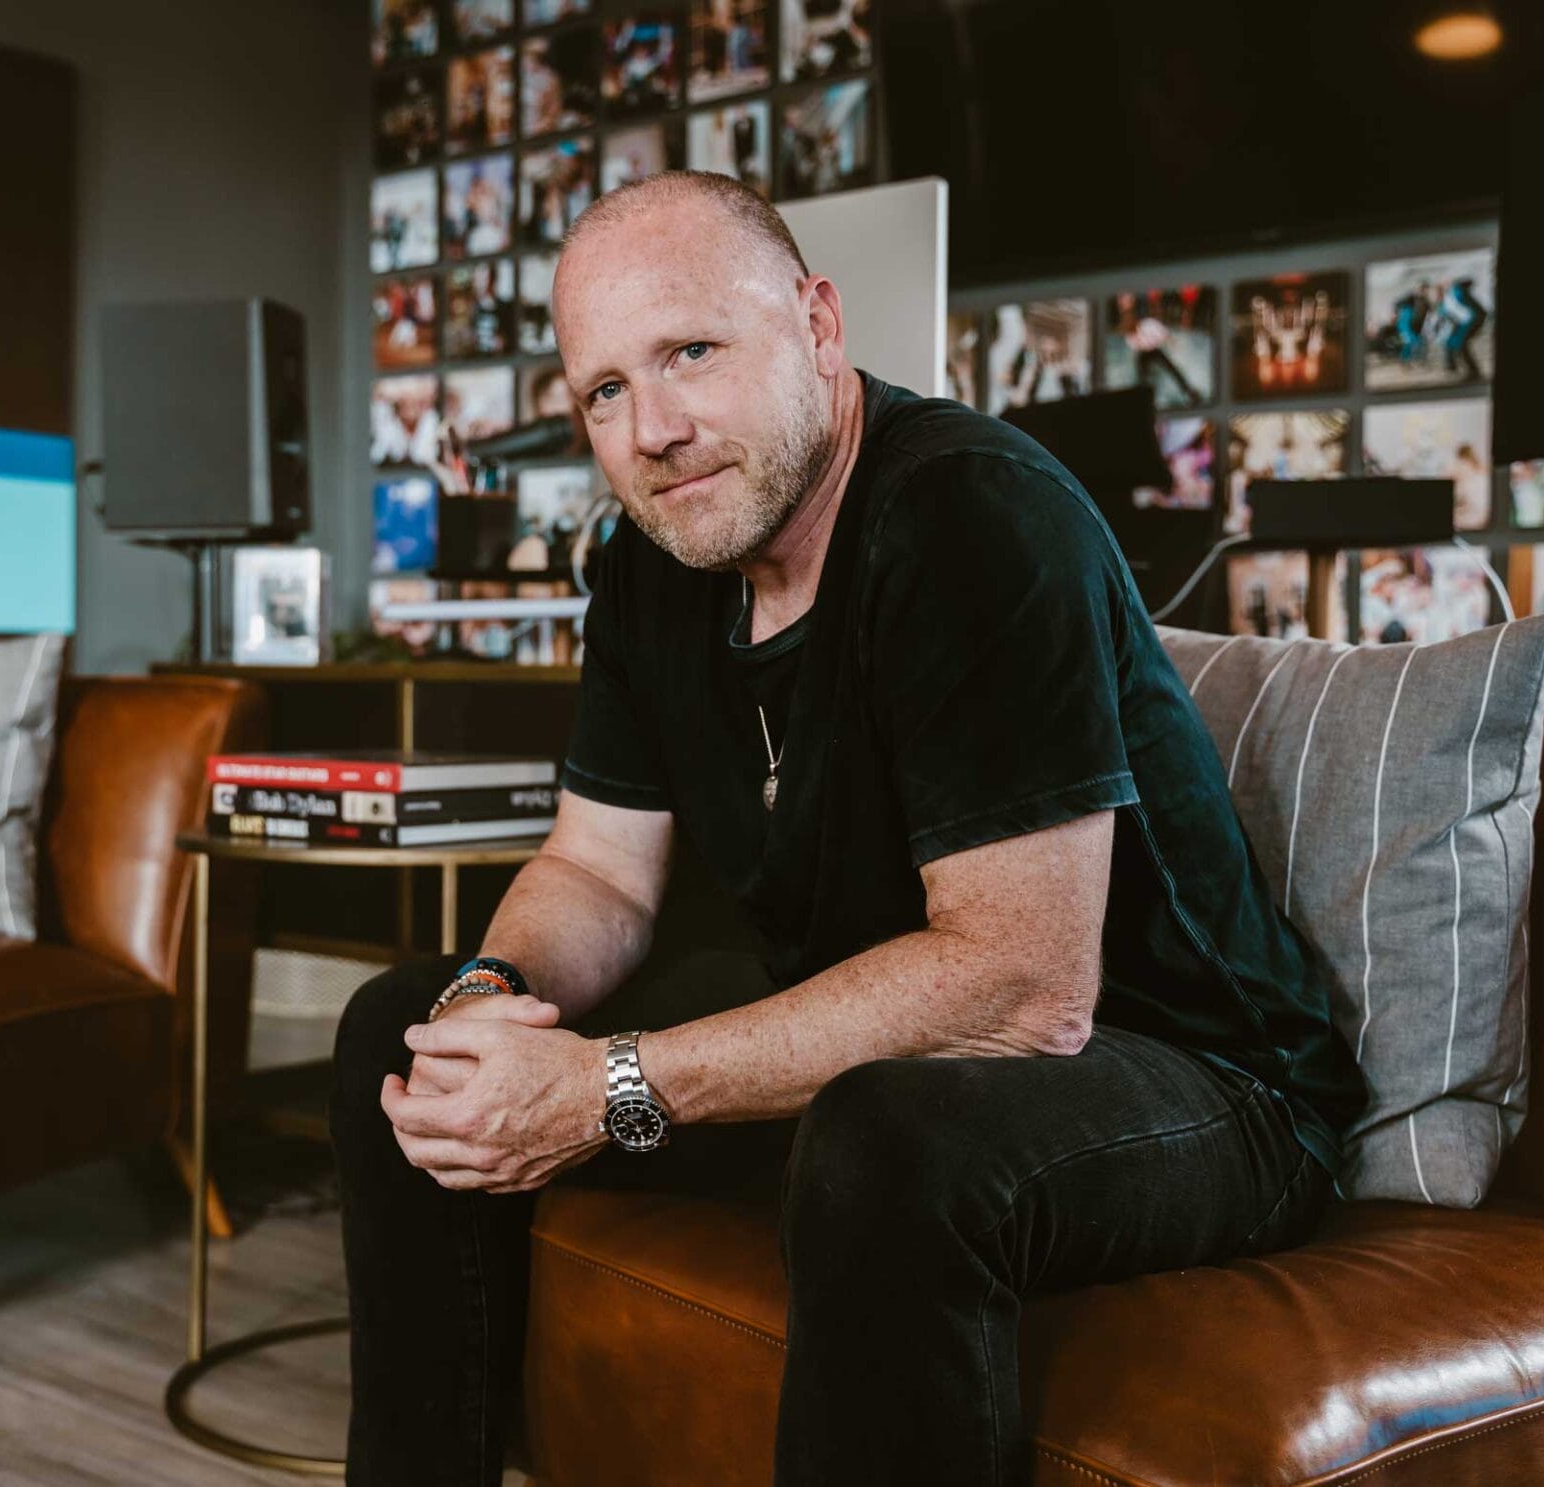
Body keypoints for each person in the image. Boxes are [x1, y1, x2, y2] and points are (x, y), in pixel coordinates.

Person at [329, 170, 1364, 1486]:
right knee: (406, 1035)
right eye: (604, 391)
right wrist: (494, 995)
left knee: (887, 1141)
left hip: (1198, 1074)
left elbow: (1023, 987)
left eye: (691, 352)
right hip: (878, 1023)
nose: (650, 428)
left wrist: (609, 1087)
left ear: (820, 325)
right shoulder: (652, 564)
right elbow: (595, 867)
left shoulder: (974, 515)